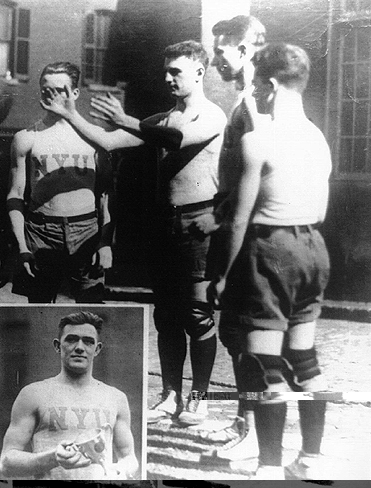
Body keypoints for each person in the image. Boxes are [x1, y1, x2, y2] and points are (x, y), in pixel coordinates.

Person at [42, 42, 226, 426]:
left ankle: (199, 398)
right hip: (164, 223)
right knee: (166, 315)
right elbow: (108, 141)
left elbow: (175, 140)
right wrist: (71, 113)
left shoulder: (211, 115)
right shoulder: (161, 119)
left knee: (197, 313)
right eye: (166, 71)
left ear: (199, 72)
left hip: (198, 222)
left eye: (176, 71)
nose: (168, 78)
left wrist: (126, 119)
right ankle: (171, 395)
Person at [207, 43, 332, 480]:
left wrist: (222, 276)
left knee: (263, 365)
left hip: (271, 250)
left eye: (259, 85)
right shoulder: (318, 137)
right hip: (313, 247)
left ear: (273, 86)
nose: (255, 93)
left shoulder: (257, 140)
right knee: (304, 359)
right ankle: (312, 458)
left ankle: (269, 467)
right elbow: (320, 207)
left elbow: (238, 220)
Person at [200, 15, 268, 462]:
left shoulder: (258, 102)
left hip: (252, 233)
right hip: (232, 222)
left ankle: (257, 431)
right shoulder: (245, 97)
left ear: (244, 50)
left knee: (246, 335)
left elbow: (260, 173)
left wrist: (231, 220)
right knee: (232, 331)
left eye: (222, 50)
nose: (215, 59)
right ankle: (246, 418)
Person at [6, 61, 114, 304]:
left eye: (59, 90)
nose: (52, 96)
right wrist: (22, 246)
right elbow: (15, 195)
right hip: (41, 231)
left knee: (92, 309)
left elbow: (106, 194)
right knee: (39, 311)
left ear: (75, 93)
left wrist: (105, 242)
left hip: (86, 231)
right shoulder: (26, 138)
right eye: (46, 90)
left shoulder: (95, 137)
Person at [0, 311, 138, 480]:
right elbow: (6, 463)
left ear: (97, 349)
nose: (79, 347)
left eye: (88, 341)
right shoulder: (33, 394)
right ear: (57, 346)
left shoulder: (116, 398)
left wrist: (121, 470)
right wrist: (53, 458)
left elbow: (128, 457)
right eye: (71, 339)